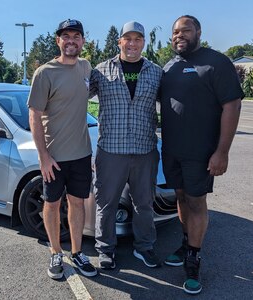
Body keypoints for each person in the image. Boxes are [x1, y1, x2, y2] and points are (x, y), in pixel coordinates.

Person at [160, 15, 243, 295]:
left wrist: (222, 151)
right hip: (172, 150)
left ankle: (194, 258)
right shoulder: (169, 67)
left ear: (198, 32)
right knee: (181, 198)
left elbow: (231, 106)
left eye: (185, 30)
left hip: (201, 152)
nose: (179, 35)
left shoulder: (216, 62)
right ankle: (186, 243)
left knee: (196, 202)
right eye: (175, 32)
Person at [27, 19, 97, 280]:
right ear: (58, 41)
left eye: (76, 36)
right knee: (52, 204)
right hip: (53, 157)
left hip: (81, 154)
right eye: (65, 36)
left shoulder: (86, 67)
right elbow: (34, 114)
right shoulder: (45, 73)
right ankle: (56, 252)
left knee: (77, 203)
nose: (71, 41)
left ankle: (77, 253)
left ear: (82, 41)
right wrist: (43, 156)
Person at [90, 21, 162, 270]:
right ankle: (105, 249)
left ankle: (144, 247)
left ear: (144, 42)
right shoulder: (100, 71)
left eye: (138, 39)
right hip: (111, 151)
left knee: (144, 204)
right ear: (119, 41)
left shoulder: (156, 72)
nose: (132, 44)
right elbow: (75, 97)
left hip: (145, 151)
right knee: (106, 203)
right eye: (127, 39)